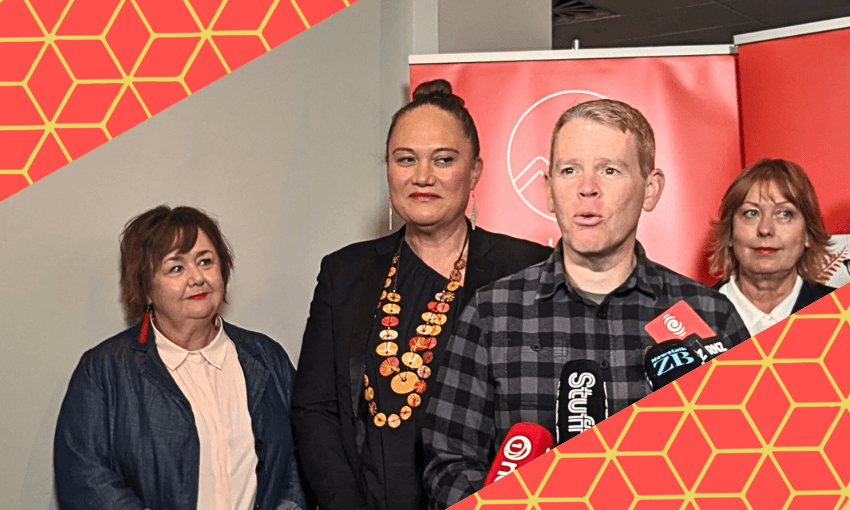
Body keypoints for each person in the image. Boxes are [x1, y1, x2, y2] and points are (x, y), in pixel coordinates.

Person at [422, 99, 751, 509]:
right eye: (569, 170)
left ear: (651, 190)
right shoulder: (492, 312)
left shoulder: (711, 315)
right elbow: (449, 460)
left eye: (609, 170)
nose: (586, 188)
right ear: (548, 191)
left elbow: (749, 459)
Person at [290, 79, 551, 510]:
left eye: (443, 159)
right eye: (405, 159)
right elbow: (315, 409)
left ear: (475, 172)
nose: (422, 177)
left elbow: (543, 415)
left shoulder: (526, 268)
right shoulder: (344, 272)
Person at [54, 206, 306, 510]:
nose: (197, 278)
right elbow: (86, 479)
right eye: (176, 268)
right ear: (146, 289)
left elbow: (302, 451)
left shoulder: (266, 357)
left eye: (205, 262)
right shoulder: (104, 371)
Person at [709, 158, 835, 336]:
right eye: (751, 213)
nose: (765, 229)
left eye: (784, 214)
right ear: (730, 232)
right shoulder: (695, 315)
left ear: (808, 234)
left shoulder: (841, 315)